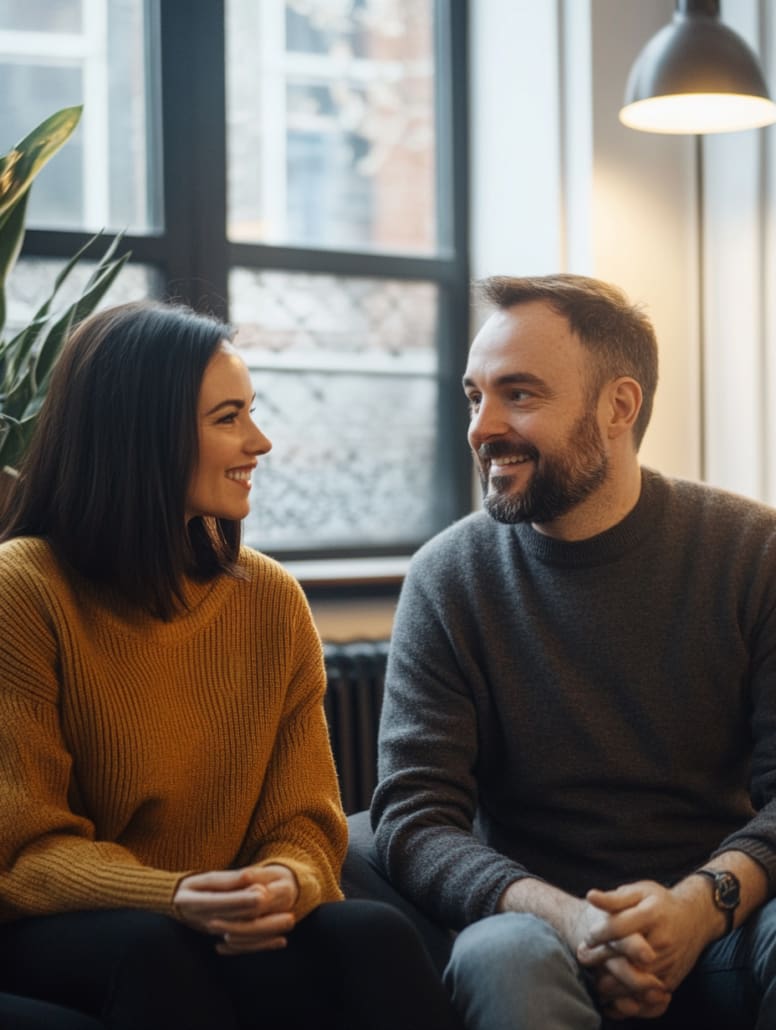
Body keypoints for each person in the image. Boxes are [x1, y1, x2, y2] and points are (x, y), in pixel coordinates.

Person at [0, 300, 464, 1030]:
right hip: (74, 922)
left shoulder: (269, 598)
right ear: (139, 434)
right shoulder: (24, 588)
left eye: (251, 412)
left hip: (216, 913)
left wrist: (283, 880)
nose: (261, 441)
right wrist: (178, 894)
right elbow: (24, 853)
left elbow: (306, 821)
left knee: (372, 935)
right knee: (155, 951)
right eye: (228, 418)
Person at [366, 274, 776, 1029]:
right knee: (500, 958)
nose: (482, 426)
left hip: (724, 924)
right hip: (536, 928)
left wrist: (699, 906)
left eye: (518, 395)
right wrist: (569, 919)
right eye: (473, 396)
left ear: (619, 407)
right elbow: (414, 818)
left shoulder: (753, 553)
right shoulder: (446, 578)